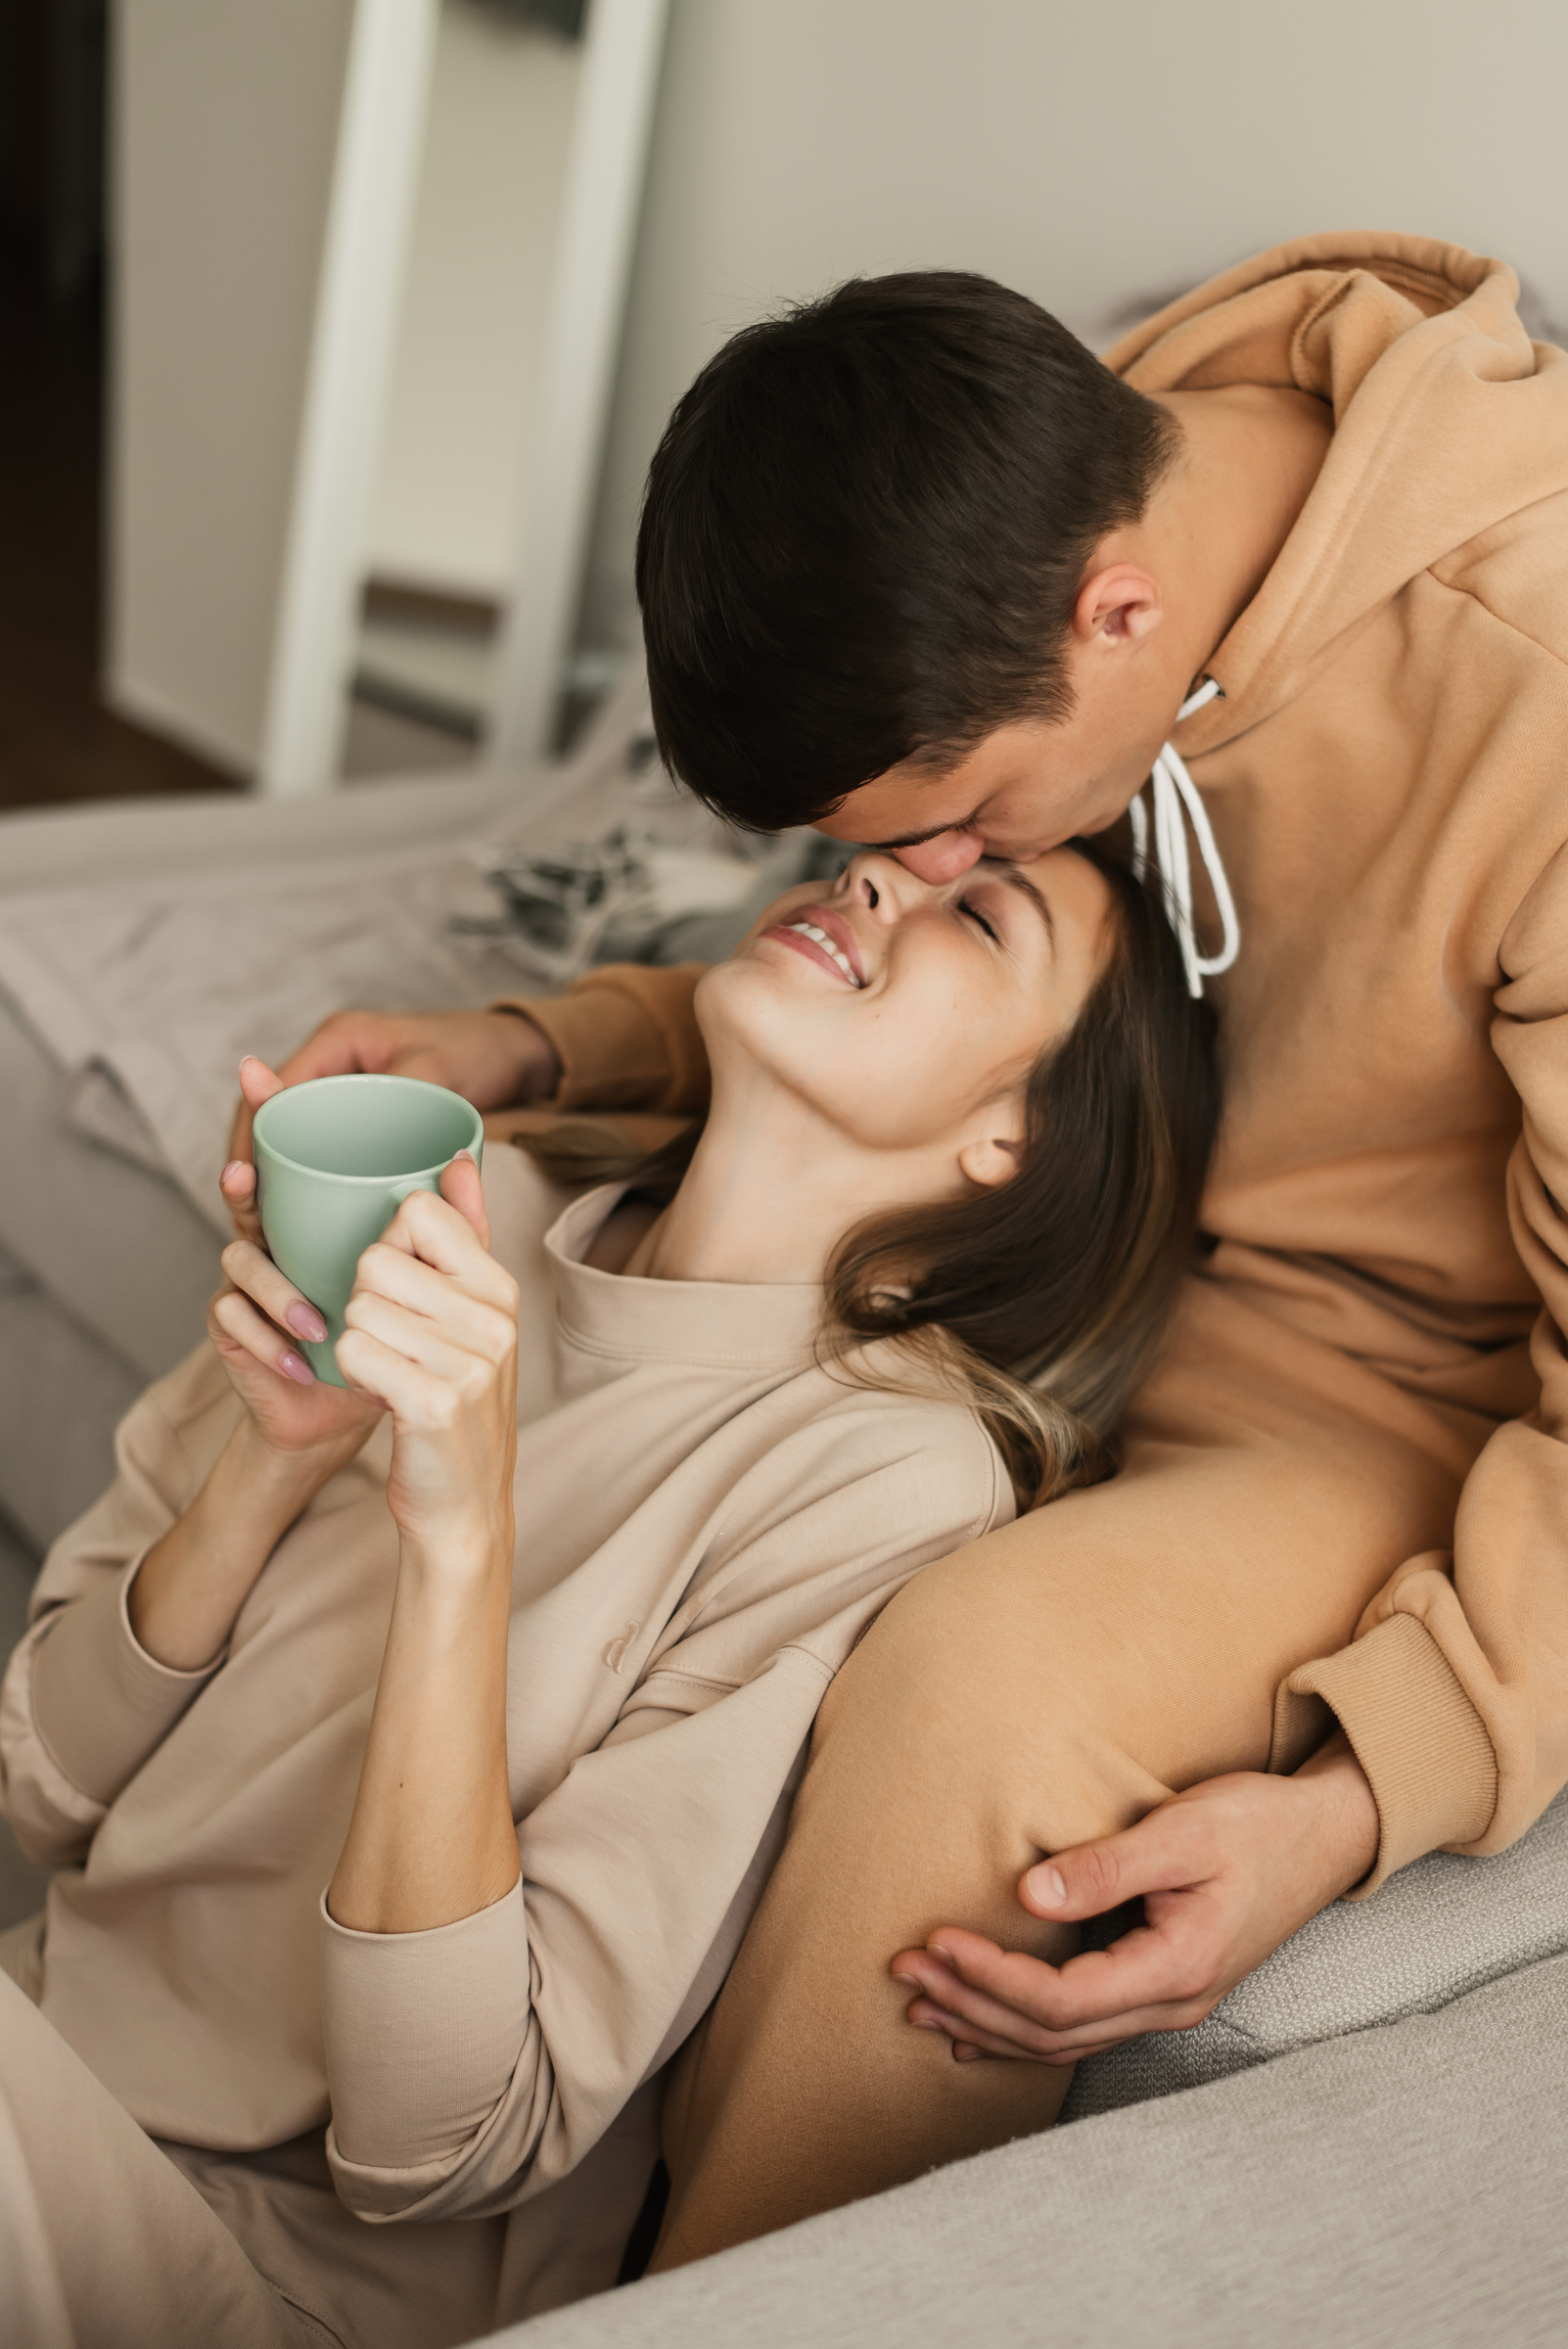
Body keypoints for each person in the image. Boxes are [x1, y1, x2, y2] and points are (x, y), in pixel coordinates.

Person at [225, 230, 1568, 2261]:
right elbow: (949, 974)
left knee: (971, 1687)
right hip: (1022, 1230)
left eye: (963, 824)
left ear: (1123, 616)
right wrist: (545, 1045)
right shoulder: (1055, 483)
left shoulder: (1531, 696)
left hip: (1356, 1391)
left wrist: (1367, 1796)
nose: (909, 876)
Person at [0, 841, 1216, 2348]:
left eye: (975, 915)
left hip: (262, 2267)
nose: (870, 882)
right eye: (875, 858)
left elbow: (442, 2141)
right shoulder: (468, 1203)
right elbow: (41, 1783)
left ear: (1015, 1137)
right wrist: (272, 1456)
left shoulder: (883, 1477)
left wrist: (462, 1540)